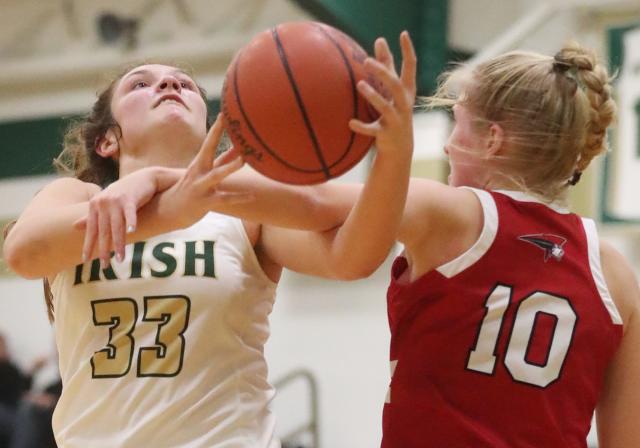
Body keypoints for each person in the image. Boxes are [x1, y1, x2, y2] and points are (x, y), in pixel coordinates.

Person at [2, 31, 416, 448]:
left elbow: (353, 258)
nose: (168, 85)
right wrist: (170, 210)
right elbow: (23, 254)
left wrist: (395, 153)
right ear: (107, 140)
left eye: (184, 84)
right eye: (140, 84)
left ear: (210, 127)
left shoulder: (242, 206)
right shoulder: (79, 198)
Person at [378, 42, 640, 447]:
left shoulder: (452, 216)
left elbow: (320, 207)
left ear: (492, 140)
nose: (448, 145)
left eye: (457, 125)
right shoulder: (614, 273)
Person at [0, 333, 48, 448]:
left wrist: (33, 369)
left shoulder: (11, 367)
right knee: (25, 413)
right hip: (4, 408)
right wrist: (27, 398)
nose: (5, 347)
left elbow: (21, 387)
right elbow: (11, 393)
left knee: (30, 412)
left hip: (13, 408)